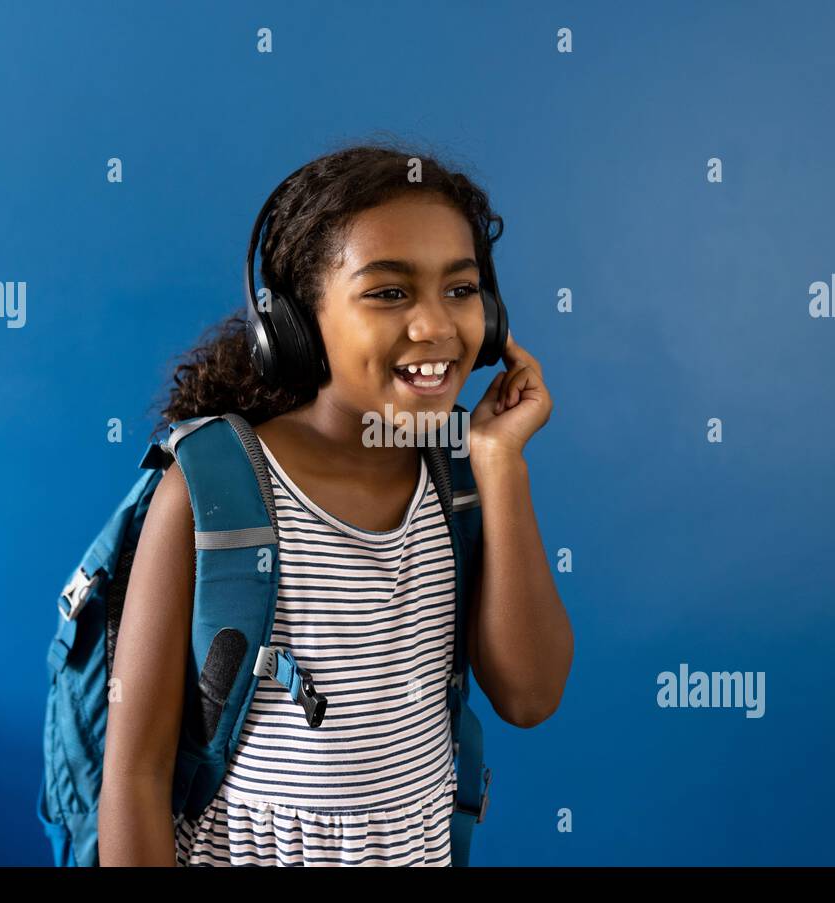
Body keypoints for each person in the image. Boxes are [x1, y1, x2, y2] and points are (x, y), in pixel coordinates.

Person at [97, 140, 573, 866]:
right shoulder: (213, 488)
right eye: (388, 292)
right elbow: (135, 775)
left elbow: (530, 696)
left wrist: (503, 464)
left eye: (461, 288)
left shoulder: (462, 483)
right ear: (293, 327)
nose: (437, 327)